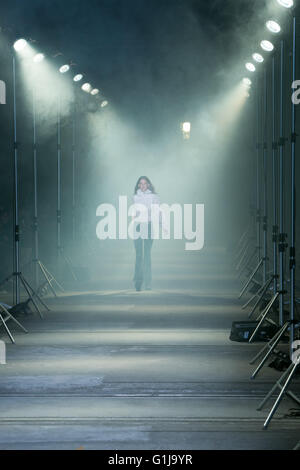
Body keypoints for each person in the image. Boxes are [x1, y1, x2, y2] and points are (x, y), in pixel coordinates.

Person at [132, 176, 160, 291]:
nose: (143, 185)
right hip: (138, 226)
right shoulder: (135, 197)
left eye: (145, 183)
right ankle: (138, 282)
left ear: (148, 185)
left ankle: (148, 283)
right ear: (138, 185)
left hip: (149, 225)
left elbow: (157, 212)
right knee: (139, 255)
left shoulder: (154, 197)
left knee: (147, 255)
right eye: (141, 183)